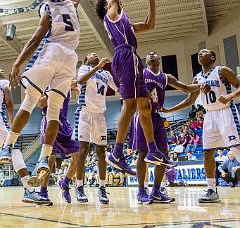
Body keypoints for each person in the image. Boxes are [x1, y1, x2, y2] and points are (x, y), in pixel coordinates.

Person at [0, 0, 93, 186]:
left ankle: (7, 145)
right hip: (71, 59)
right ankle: (44, 157)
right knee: (54, 111)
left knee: (30, 101)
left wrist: (18, 62)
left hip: (53, 52)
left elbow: (35, 38)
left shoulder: (47, 8)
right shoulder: (72, 3)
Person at [96, 0, 174, 173]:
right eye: (112, 0)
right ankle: (117, 152)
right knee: (130, 105)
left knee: (145, 105)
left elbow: (150, 24)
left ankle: (152, 149)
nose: (117, 1)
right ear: (108, 6)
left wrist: (151, 0)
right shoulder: (112, 14)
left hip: (132, 58)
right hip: (124, 55)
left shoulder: (125, 22)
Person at [162, 48, 240, 203]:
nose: (200, 53)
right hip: (209, 115)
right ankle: (212, 190)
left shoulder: (222, 71)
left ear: (212, 57)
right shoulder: (197, 78)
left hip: (226, 112)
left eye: (204, 52)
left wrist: (230, 96)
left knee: (236, 148)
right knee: (207, 152)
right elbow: (190, 101)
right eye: (199, 52)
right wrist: (169, 110)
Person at [129, 51, 202, 203]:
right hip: (142, 115)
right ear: (147, 60)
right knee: (143, 153)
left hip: (157, 116)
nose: (152, 53)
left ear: (159, 60)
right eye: (149, 54)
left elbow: (188, 88)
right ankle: (141, 191)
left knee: (162, 155)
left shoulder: (167, 77)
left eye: (155, 54)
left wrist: (202, 85)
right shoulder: (141, 73)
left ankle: (156, 191)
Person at [74, 53, 118, 204]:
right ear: (87, 60)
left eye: (95, 54)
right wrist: (98, 67)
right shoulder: (84, 68)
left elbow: (117, 87)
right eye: (91, 54)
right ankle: (79, 187)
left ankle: (102, 188)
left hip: (100, 115)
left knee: (101, 152)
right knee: (83, 150)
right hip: (85, 112)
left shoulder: (106, 74)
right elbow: (80, 80)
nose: (95, 54)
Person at [0, 69, 48, 204]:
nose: (3, 70)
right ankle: (29, 190)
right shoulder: (4, 82)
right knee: (14, 151)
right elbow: (9, 102)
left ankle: (29, 190)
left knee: (14, 152)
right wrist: (11, 120)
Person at [38, 81, 80, 204]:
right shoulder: (47, 83)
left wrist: (72, 88)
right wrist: (58, 89)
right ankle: (43, 192)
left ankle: (65, 183)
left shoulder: (66, 82)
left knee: (79, 157)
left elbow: (76, 86)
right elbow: (40, 103)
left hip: (63, 124)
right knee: (50, 159)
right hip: (49, 122)